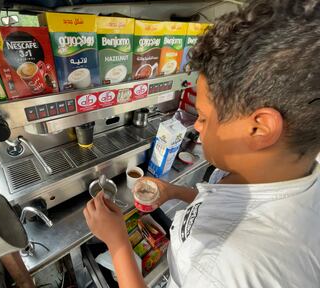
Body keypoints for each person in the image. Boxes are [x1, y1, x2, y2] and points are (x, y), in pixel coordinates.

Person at [83, 0, 320, 287]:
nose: (197, 124)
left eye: (205, 116)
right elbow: (221, 205)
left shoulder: (229, 265)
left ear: (259, 129)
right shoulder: (288, 177)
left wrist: (118, 243)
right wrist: (173, 192)